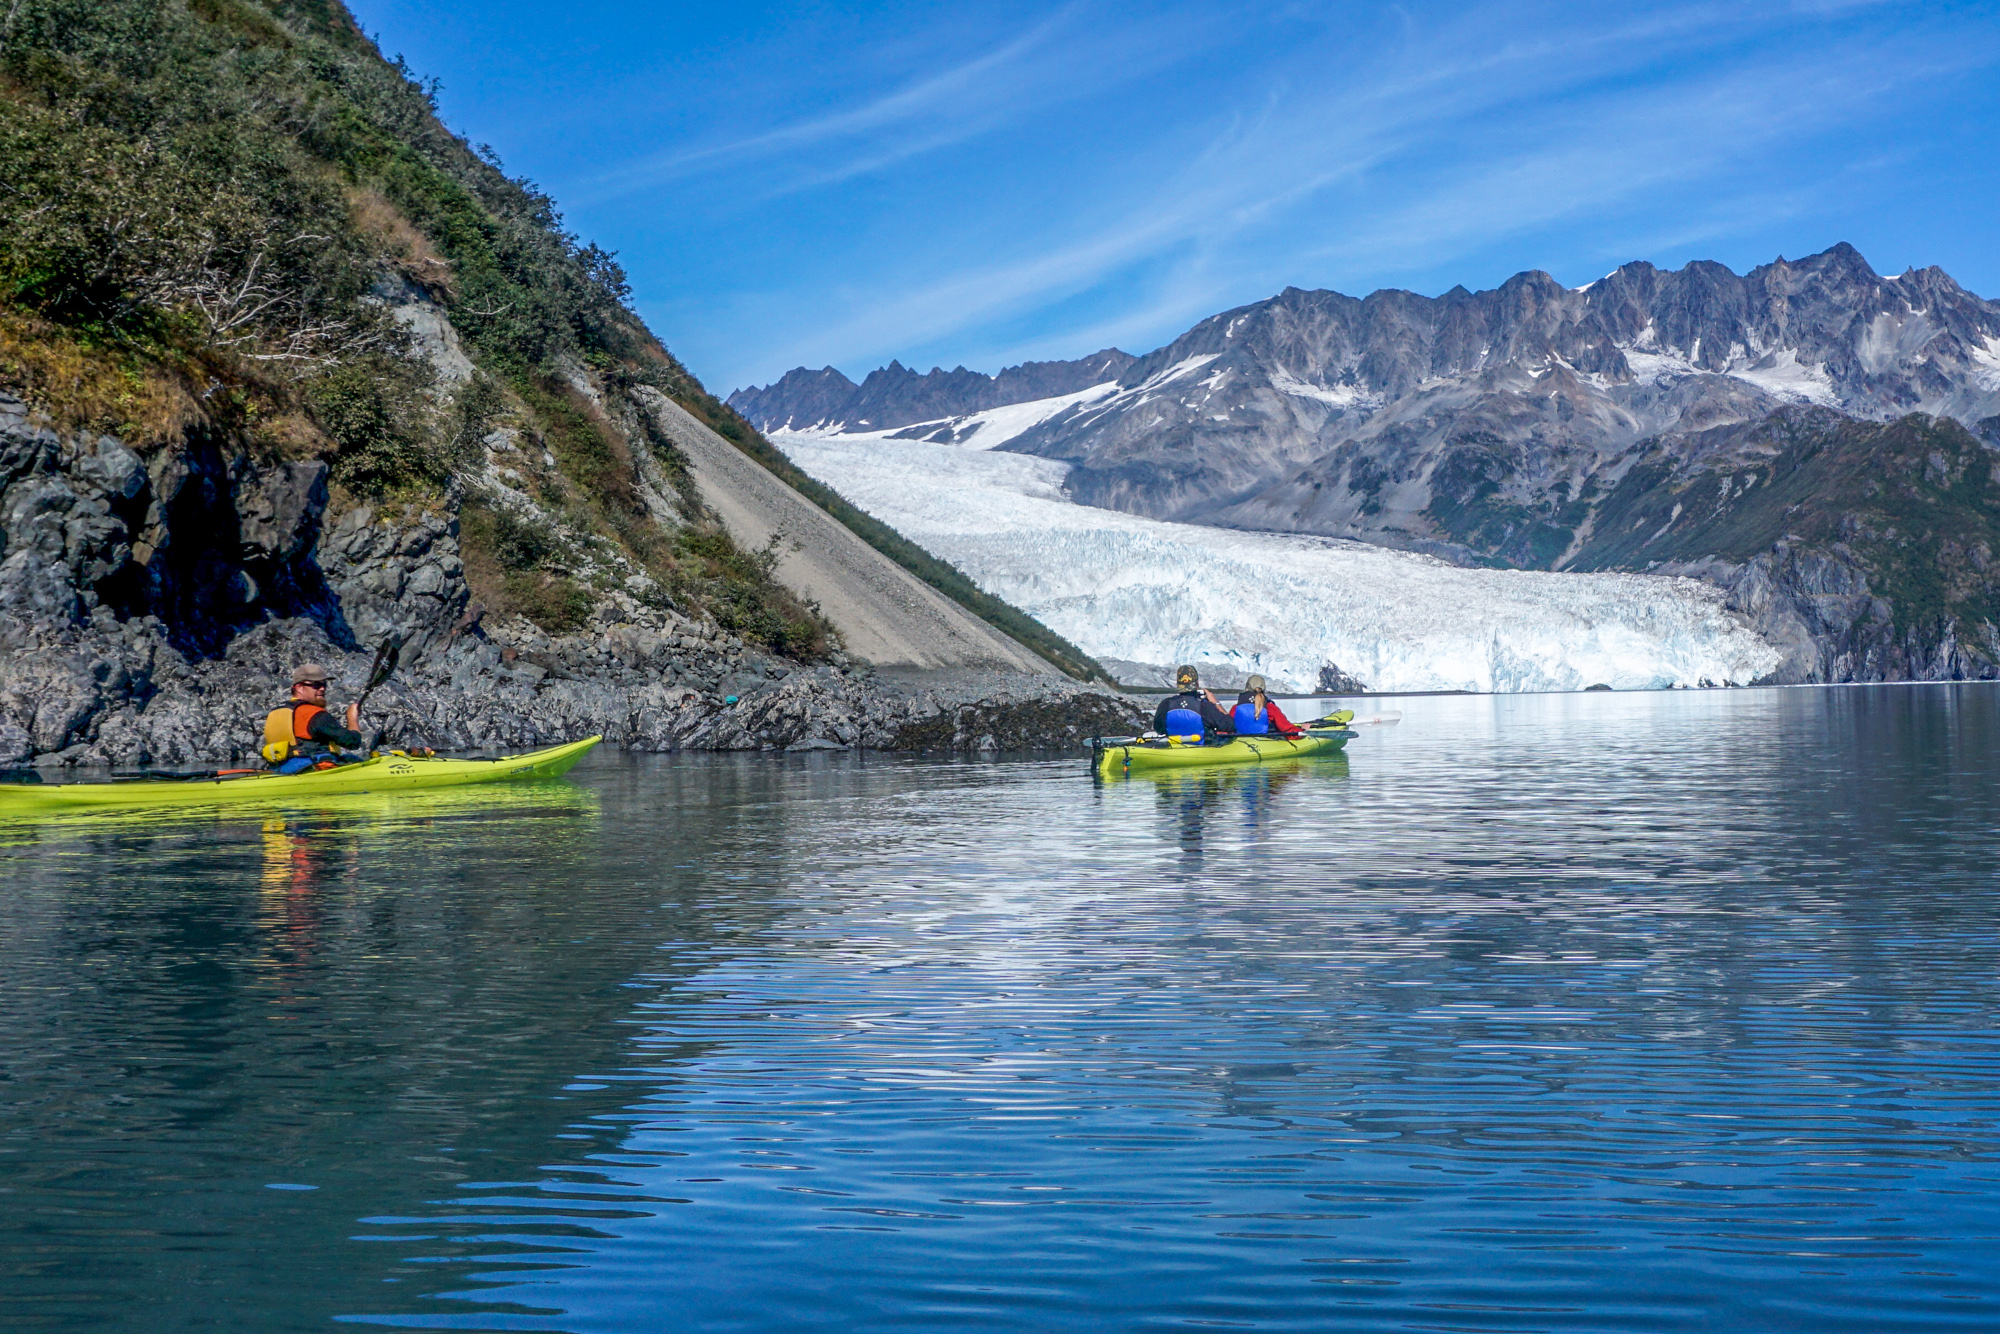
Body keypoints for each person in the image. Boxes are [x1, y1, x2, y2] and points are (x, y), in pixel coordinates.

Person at [261, 663, 367, 772]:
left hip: (282, 770)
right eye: (316, 685)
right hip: (313, 769)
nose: (322, 689)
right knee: (354, 759)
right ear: (299, 688)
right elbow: (352, 742)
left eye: (324, 684)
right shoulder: (312, 713)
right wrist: (352, 717)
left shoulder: (275, 712)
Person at [1152, 665, 1236, 742]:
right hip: (1202, 751)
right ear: (1197, 683)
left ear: (1178, 683)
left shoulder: (1166, 704)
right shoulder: (1204, 706)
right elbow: (1230, 726)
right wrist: (1216, 703)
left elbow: (1159, 729)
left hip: (1174, 750)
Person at [1231, 675, 1303, 737]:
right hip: (1263, 742)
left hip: (1240, 742)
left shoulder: (1235, 708)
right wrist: (1302, 730)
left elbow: (1228, 727)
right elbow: (1286, 729)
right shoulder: (1270, 708)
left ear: (1246, 688)